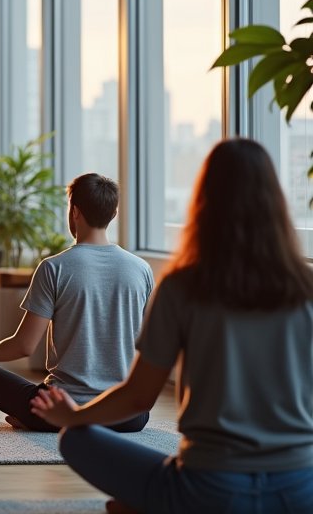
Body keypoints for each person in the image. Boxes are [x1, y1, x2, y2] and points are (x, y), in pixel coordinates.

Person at [30, 139, 313, 513]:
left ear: (204, 202)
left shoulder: (183, 286)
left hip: (210, 489)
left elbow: (137, 397)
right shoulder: (306, 287)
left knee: (75, 439)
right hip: (300, 489)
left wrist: (75, 417)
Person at [0, 173, 153, 433]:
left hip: (60, 408)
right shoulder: (141, 269)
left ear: (75, 212)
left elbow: (23, 346)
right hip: (127, 416)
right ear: (113, 214)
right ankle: (49, 420)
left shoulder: (54, 267)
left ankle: (38, 419)